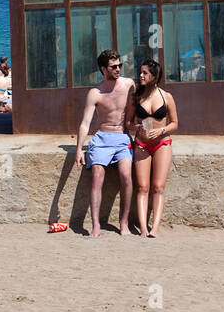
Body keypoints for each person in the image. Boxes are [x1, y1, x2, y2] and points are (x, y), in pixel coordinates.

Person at [75, 50, 134, 238]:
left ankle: (123, 223)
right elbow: (85, 123)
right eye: (113, 66)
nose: (118, 69)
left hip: (123, 138)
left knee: (126, 175)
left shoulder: (128, 85)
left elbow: (142, 106)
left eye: (119, 65)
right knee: (97, 175)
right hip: (102, 138)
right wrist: (79, 150)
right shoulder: (95, 92)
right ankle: (96, 225)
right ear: (103, 69)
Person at [125, 58, 178, 238]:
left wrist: (162, 129)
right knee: (142, 186)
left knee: (158, 186)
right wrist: (136, 128)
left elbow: (175, 123)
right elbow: (128, 122)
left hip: (162, 143)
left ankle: (155, 228)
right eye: (140, 72)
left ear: (154, 76)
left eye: (145, 73)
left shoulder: (166, 97)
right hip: (141, 144)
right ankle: (143, 228)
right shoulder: (136, 97)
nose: (140, 75)